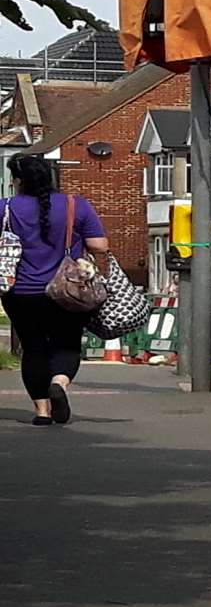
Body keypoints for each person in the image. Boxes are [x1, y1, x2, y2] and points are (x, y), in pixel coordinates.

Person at [3, 155, 109, 426]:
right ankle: (59, 383)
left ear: (17, 181)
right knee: (67, 342)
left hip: (20, 291)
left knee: (33, 347)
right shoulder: (76, 205)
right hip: (68, 291)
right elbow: (99, 246)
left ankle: (41, 412)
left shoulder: (5, 208)